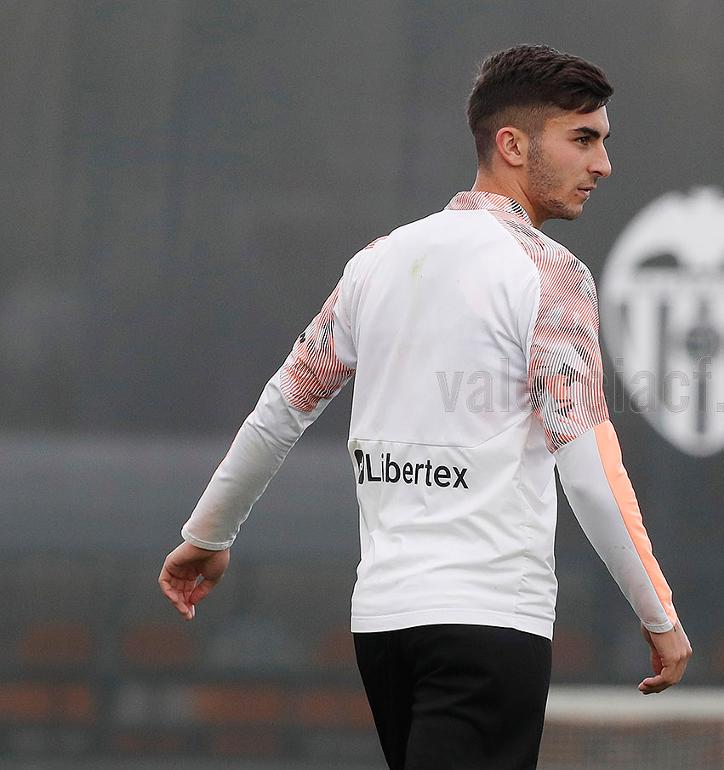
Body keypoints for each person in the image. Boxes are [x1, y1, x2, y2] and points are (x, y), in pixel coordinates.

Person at [158, 44, 691, 770]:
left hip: (384, 631)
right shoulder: (549, 272)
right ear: (511, 145)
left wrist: (209, 531)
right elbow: (590, 463)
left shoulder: (377, 261)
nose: (603, 165)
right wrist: (657, 611)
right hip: (488, 624)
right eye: (583, 139)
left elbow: (282, 406)